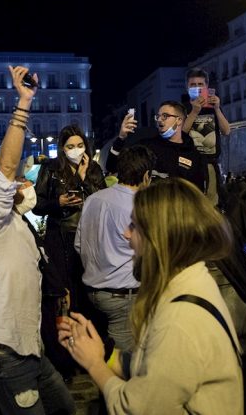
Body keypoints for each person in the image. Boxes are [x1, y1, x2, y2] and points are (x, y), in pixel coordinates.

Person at [58, 178, 243, 414]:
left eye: (134, 226)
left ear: (160, 238)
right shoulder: (191, 283)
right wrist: (103, 351)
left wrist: (94, 364)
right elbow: (153, 368)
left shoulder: (179, 321)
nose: (126, 234)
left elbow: (134, 408)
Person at [0, 65, 75, 415]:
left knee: (65, 408)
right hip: (5, 353)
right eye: (22, 182)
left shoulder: (18, 223)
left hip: (29, 349)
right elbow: (8, 166)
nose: (28, 186)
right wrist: (23, 103)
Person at [75, 144, 155, 351]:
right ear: (146, 176)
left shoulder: (93, 199)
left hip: (93, 291)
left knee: (106, 351)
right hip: (122, 296)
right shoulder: (137, 206)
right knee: (124, 362)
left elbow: (79, 244)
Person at [33, 125, 106, 316]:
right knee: (63, 291)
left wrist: (83, 178)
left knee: (86, 292)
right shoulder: (51, 169)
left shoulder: (94, 169)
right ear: (62, 148)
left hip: (88, 236)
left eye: (80, 145)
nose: (76, 150)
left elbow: (103, 201)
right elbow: (37, 204)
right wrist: (57, 202)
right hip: (60, 237)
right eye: (70, 146)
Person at [106, 101, 208, 193]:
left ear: (179, 120)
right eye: (158, 116)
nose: (159, 120)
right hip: (151, 210)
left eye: (165, 116)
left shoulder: (194, 155)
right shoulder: (147, 146)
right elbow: (111, 166)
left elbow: (198, 194)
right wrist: (121, 138)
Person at [182, 67, 231, 205]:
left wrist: (217, 108)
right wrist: (194, 112)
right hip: (190, 165)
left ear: (207, 86)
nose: (197, 88)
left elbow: (226, 131)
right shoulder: (183, 108)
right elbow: (182, 134)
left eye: (200, 84)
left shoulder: (213, 106)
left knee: (211, 204)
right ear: (187, 87)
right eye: (192, 85)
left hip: (210, 164)